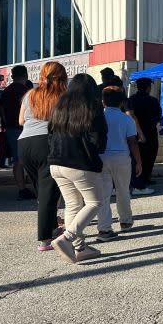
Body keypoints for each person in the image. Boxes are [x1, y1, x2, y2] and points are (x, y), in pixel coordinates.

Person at [48, 74, 109, 264]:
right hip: (80, 163)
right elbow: (99, 141)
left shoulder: (59, 106)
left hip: (56, 163)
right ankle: (66, 238)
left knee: (73, 204)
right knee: (95, 202)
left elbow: (49, 133)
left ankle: (80, 248)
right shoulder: (92, 106)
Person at [18, 62, 68, 252]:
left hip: (25, 143)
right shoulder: (62, 95)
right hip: (46, 142)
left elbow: (21, 120)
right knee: (49, 191)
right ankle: (45, 239)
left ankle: (53, 226)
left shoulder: (29, 94)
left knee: (41, 189)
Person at [96, 87, 142, 240]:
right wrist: (138, 162)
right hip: (122, 157)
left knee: (103, 194)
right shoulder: (127, 119)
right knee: (123, 190)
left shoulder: (98, 117)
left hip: (101, 157)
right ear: (122, 102)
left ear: (103, 101)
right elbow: (132, 142)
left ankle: (104, 227)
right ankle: (125, 221)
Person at [1, 64, 35, 200]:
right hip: (24, 128)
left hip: (10, 129)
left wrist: (6, 125)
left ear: (12, 76)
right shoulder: (26, 91)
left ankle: (21, 188)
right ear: (25, 76)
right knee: (30, 159)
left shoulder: (6, 91)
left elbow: (2, 110)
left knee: (17, 160)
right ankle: (35, 186)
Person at [127, 78, 161, 195]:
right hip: (150, 132)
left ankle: (138, 179)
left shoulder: (131, 100)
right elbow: (158, 116)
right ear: (148, 88)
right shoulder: (153, 101)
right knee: (150, 155)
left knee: (136, 157)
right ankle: (145, 178)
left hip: (134, 132)